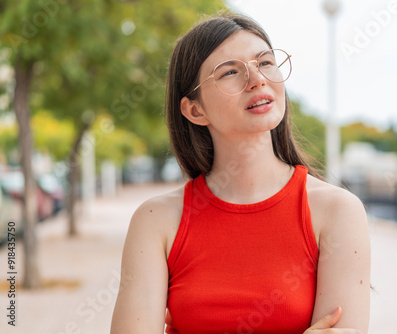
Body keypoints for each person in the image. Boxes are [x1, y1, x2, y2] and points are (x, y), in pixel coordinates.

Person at [110, 11, 371, 334]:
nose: (257, 79)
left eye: (264, 62)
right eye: (230, 72)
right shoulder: (156, 220)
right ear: (195, 109)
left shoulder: (338, 212)